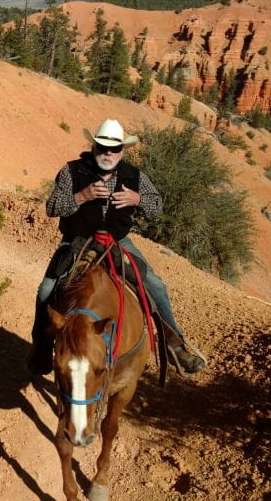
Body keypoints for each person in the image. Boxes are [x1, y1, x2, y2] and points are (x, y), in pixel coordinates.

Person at [27, 119, 206, 376]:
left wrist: (138, 199)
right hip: (78, 239)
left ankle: (174, 344)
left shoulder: (134, 176)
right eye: (102, 147)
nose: (108, 153)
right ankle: (41, 346)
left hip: (118, 240)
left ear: (122, 150)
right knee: (47, 289)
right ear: (94, 146)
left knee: (155, 285)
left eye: (114, 149)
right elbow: (52, 207)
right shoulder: (72, 171)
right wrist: (82, 196)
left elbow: (156, 205)